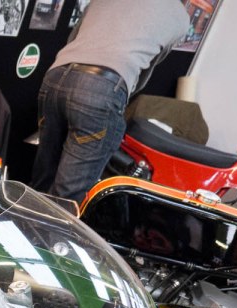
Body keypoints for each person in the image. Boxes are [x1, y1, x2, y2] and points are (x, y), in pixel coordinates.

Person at [30, 0, 189, 204]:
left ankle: (24, 221)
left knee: (42, 180)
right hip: (103, 85)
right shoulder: (179, 16)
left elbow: (73, 38)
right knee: (67, 196)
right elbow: (147, 68)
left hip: (56, 76)